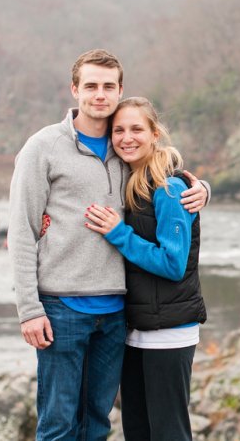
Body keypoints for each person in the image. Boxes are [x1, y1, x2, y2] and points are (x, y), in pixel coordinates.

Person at [7, 50, 209, 441]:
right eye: (91, 86)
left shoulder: (125, 150)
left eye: (108, 86)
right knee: (59, 425)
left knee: (98, 423)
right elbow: (21, 230)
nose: (100, 95)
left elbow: (167, 179)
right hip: (61, 308)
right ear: (74, 89)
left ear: (120, 90)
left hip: (117, 313)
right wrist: (28, 310)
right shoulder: (43, 147)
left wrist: (201, 188)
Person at [84, 96, 206, 441]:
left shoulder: (170, 189)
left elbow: (172, 264)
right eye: (118, 130)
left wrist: (118, 233)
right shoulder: (131, 178)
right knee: (137, 431)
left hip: (168, 331)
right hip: (136, 329)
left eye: (137, 128)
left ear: (155, 133)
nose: (127, 137)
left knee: (168, 433)